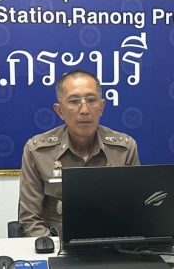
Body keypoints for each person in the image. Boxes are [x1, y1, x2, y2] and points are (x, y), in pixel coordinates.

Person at [18, 70, 139, 237]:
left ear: (101, 107)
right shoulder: (37, 151)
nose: (84, 110)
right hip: (56, 244)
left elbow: (136, 212)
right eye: (74, 101)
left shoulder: (124, 149)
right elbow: (30, 219)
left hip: (112, 244)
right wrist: (56, 247)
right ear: (59, 111)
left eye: (91, 100)